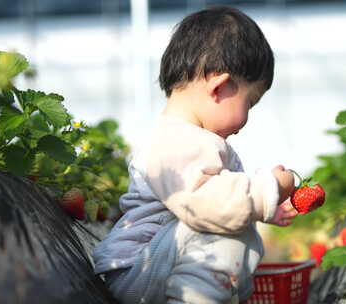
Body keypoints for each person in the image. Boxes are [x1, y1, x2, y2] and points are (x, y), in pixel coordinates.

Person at [93, 6, 297, 303]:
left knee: (230, 225)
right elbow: (209, 207)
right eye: (249, 103)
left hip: (161, 260)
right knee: (224, 230)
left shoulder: (191, 139)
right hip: (140, 268)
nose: (247, 119)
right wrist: (270, 186)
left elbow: (215, 199)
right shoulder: (174, 140)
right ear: (220, 87)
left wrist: (264, 205)